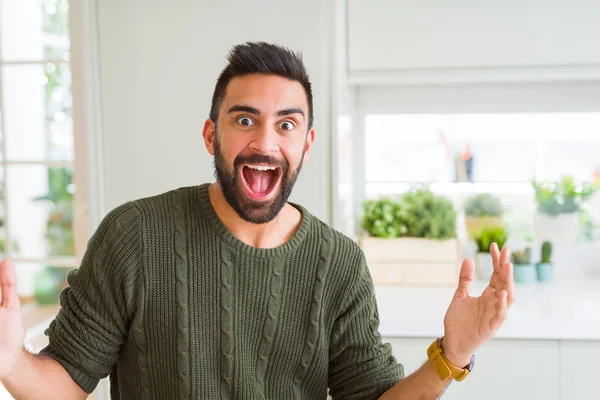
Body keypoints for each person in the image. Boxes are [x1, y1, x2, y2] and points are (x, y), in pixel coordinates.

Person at [0, 42, 515, 400]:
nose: (265, 142)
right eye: (244, 119)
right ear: (211, 135)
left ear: (306, 145)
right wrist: (11, 364)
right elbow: (66, 382)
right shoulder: (134, 237)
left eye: (286, 124)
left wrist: (454, 353)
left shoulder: (337, 263)